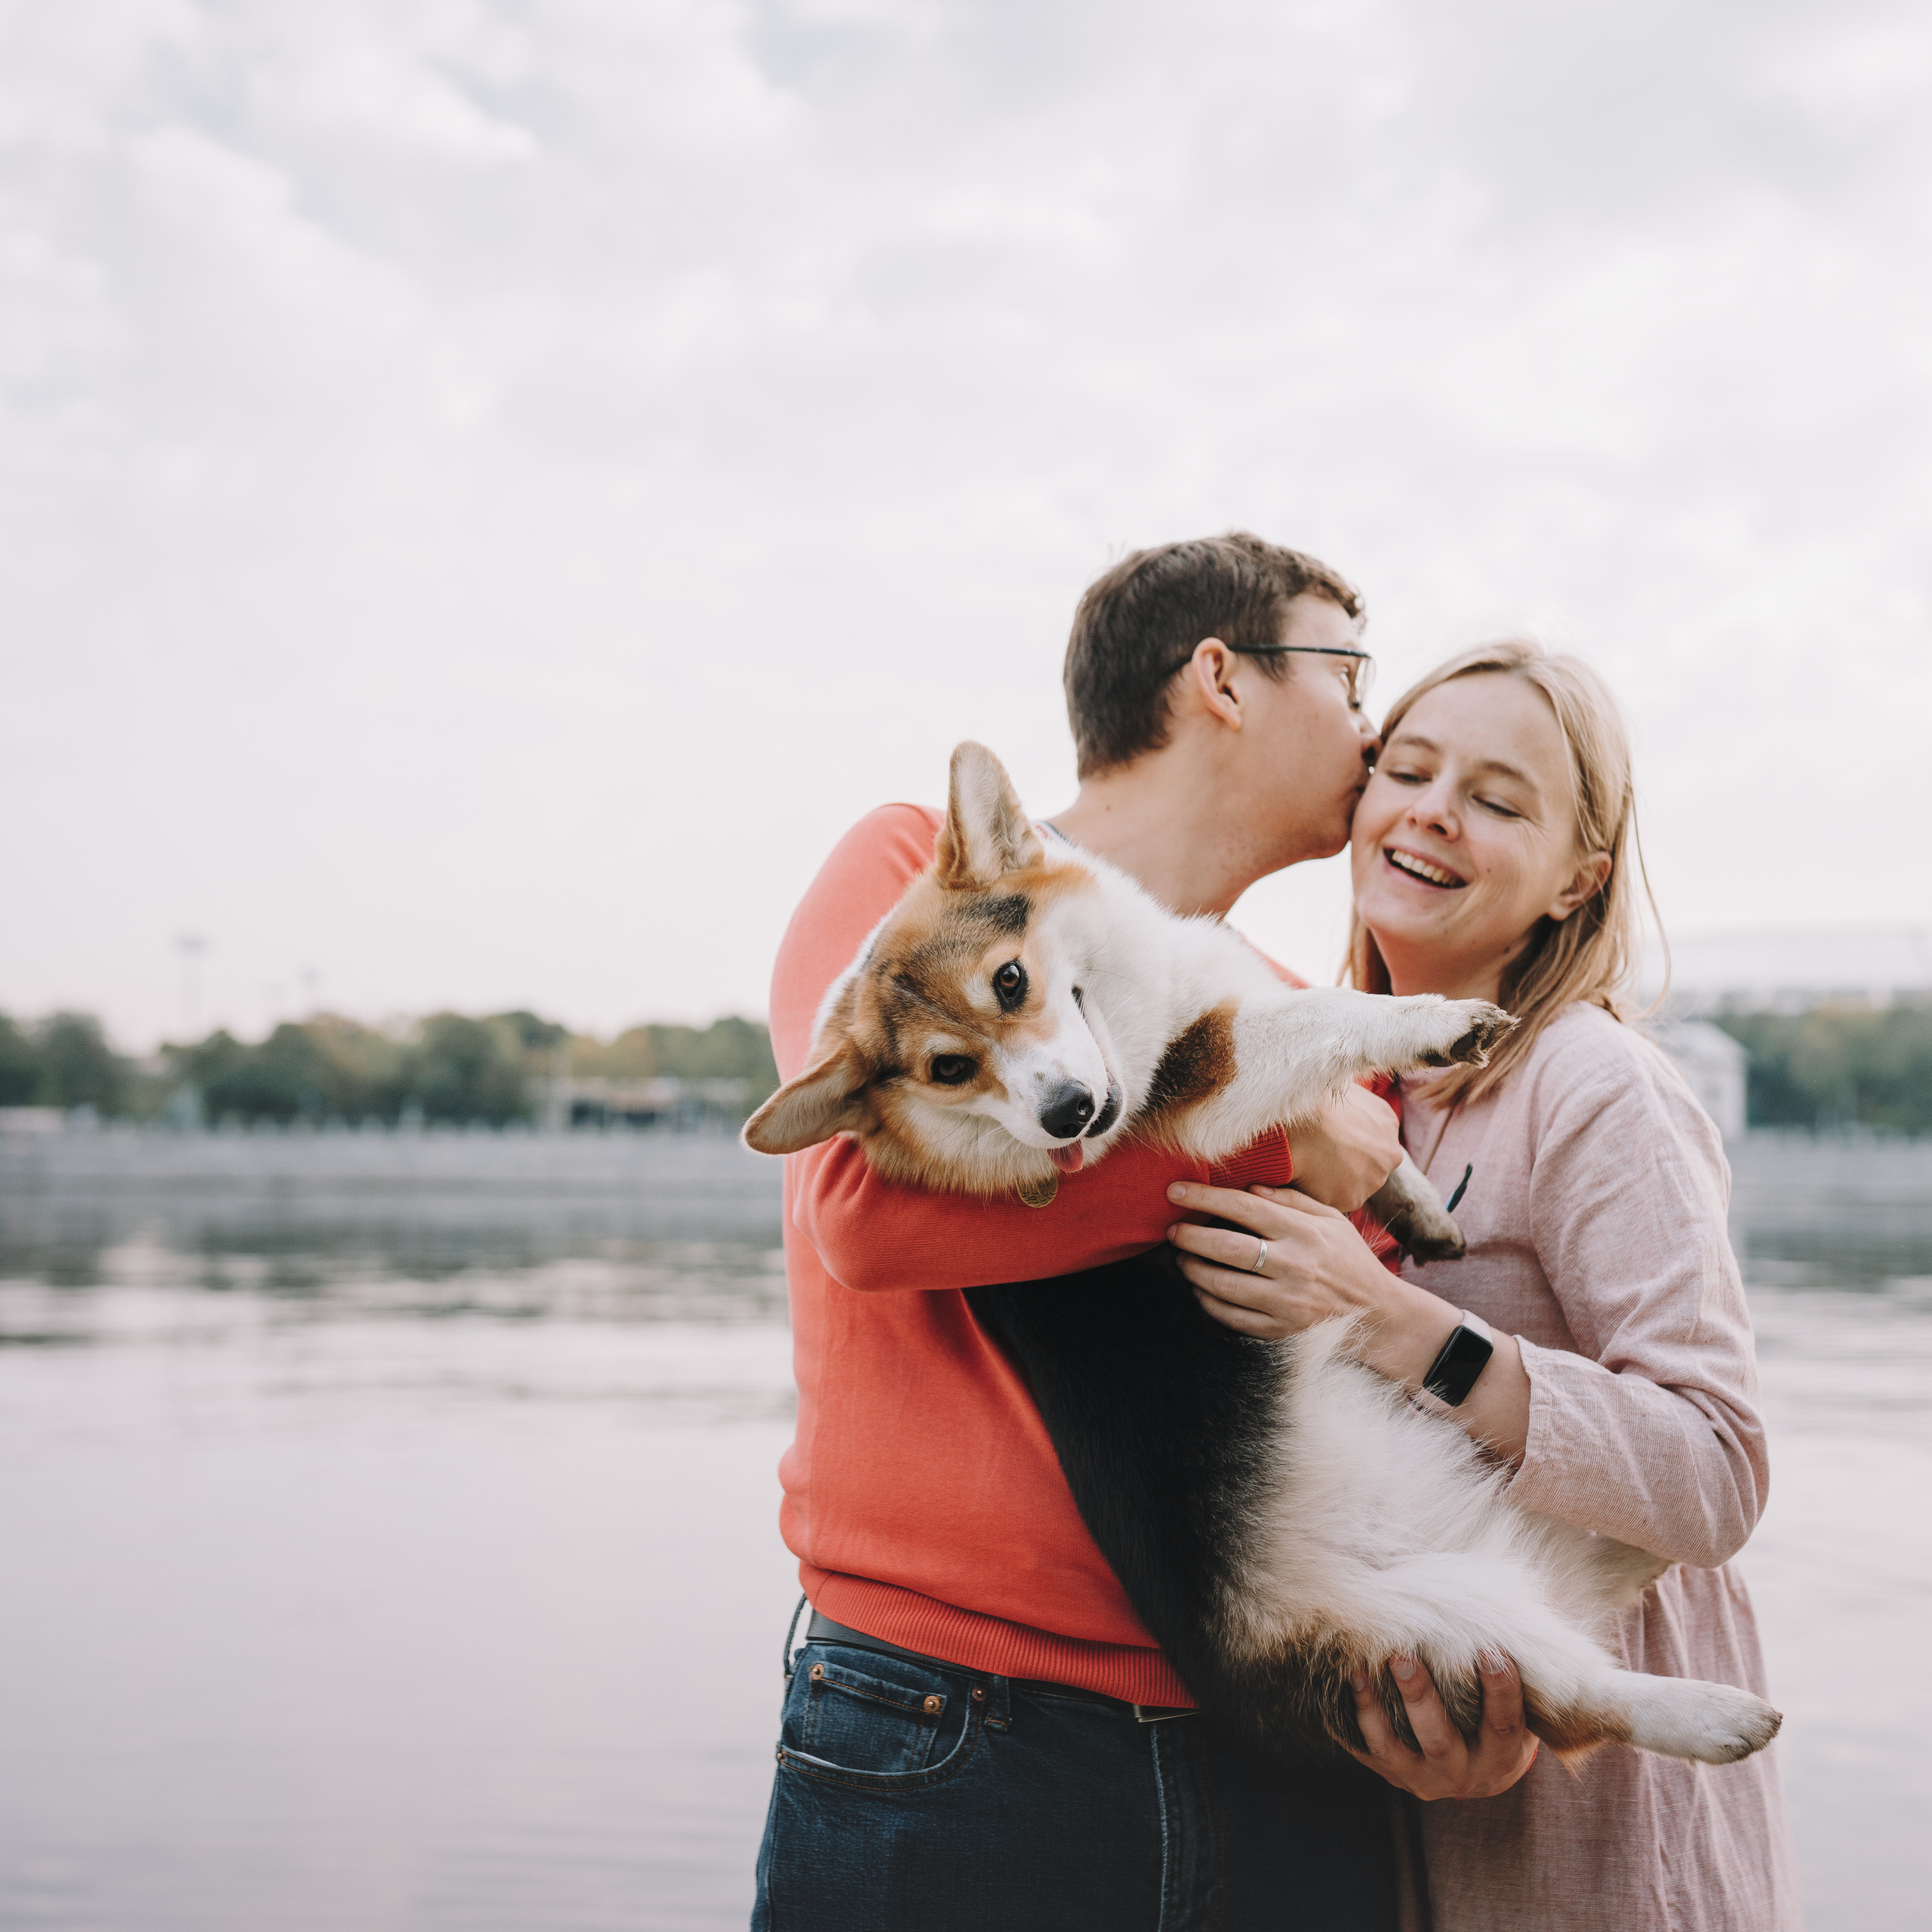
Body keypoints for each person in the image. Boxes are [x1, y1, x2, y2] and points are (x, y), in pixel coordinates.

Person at [751, 535, 1533, 1932]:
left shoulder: (1301, 1016)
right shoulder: (912, 870)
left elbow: (1371, 1374)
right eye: (1351, 674)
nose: (1377, 726)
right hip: (954, 1733)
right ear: (1222, 680)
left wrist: (1484, 1693)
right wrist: (1283, 1135)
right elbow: (862, 1216)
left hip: (1292, 1741)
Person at [1164, 641, 1802, 1930]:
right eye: (1408, 769)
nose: (1435, 810)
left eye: (1500, 800)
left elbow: (1719, 1472)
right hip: (1411, 1818)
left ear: (1581, 879)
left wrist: (1397, 1325)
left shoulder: (1595, 1088)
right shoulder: (1352, 1090)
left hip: (1612, 1846)